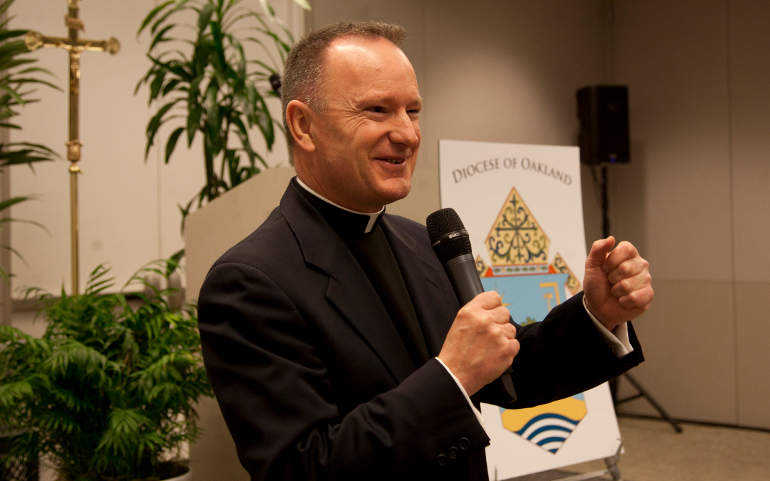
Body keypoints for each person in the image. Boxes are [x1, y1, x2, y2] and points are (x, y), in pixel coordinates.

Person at [197, 21, 654, 481]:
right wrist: (451, 377)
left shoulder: (423, 242)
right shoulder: (250, 281)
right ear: (303, 125)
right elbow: (302, 468)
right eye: (377, 110)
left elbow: (511, 370)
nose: (408, 134)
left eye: (413, 111)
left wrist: (596, 313)